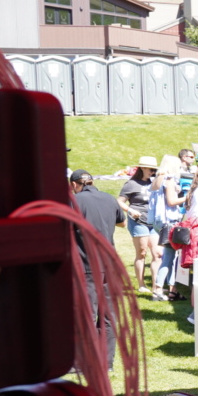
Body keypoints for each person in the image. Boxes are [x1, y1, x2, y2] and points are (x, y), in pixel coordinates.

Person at [70, 169, 124, 367]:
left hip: (87, 264)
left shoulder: (75, 201)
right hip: (110, 264)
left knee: (85, 315)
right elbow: (122, 223)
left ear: (75, 185)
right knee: (108, 315)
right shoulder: (110, 199)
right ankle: (106, 361)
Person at [118, 155, 160, 293]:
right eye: (150, 169)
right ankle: (141, 284)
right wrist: (130, 210)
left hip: (153, 222)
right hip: (138, 221)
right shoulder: (131, 184)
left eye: (154, 169)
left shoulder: (154, 182)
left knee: (157, 253)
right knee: (141, 252)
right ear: (142, 168)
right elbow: (119, 202)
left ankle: (156, 285)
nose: (152, 172)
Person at [149, 157, 186, 302]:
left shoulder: (158, 179)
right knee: (169, 258)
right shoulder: (170, 180)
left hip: (159, 222)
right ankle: (158, 289)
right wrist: (188, 197)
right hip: (169, 222)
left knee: (172, 256)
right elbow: (171, 201)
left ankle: (172, 289)